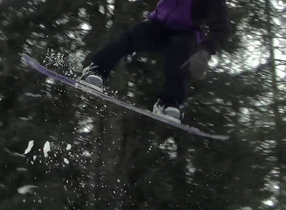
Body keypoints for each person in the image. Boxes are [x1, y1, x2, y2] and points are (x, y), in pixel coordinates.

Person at [81, 0, 230, 123]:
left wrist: (204, 52)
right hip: (158, 26)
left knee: (181, 50)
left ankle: (169, 103)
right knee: (132, 35)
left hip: (186, 33)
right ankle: (96, 70)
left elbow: (221, 28)